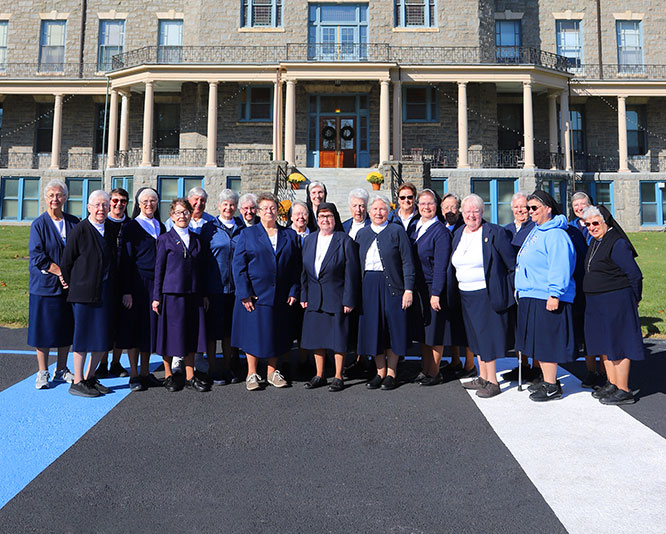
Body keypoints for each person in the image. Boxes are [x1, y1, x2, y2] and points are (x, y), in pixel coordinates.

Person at [231, 192, 301, 391]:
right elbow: (239, 266)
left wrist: (294, 290)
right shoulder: (247, 234)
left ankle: (272, 372)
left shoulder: (290, 235)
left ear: (278, 211)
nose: (269, 211)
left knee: (275, 333)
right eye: (265, 208)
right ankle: (252, 373)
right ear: (258, 212)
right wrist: (244, 293)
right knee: (252, 334)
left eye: (273, 208)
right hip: (254, 294)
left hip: (280, 294)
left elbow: (296, 266)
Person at [448, 194, 516, 398]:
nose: (471, 215)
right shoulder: (459, 233)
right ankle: (483, 376)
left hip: (487, 294)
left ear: (482, 212)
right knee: (475, 338)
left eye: (475, 211)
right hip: (466, 295)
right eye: (467, 212)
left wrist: (509, 291)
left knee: (488, 338)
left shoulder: (495, 232)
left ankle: (493, 382)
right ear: (462, 213)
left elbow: (511, 265)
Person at [515, 190, 576, 402]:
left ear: (548, 209)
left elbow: (560, 266)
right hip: (531, 294)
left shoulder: (556, 234)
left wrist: (555, 294)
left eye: (534, 208)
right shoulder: (537, 230)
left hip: (546, 296)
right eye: (528, 207)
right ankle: (546, 380)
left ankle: (552, 385)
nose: (529, 211)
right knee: (537, 343)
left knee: (547, 343)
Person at [582, 205, 644, 405]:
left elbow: (634, 274)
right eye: (588, 224)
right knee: (604, 343)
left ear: (605, 222)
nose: (592, 227)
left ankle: (624, 389)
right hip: (597, 301)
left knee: (618, 343)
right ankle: (612, 383)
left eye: (595, 223)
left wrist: (634, 299)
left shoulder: (616, 243)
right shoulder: (595, 242)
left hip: (616, 300)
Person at [60, 191, 117, 398]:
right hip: (84, 293)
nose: (101, 209)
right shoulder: (80, 230)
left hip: (105, 293)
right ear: (88, 207)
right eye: (97, 205)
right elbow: (67, 262)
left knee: (102, 338)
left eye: (104, 205)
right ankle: (77, 381)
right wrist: (76, 284)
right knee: (83, 338)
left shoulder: (110, 229)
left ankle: (90, 376)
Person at [356, 195, 415, 391]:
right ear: (369, 212)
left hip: (393, 285)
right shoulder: (362, 234)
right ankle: (379, 372)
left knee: (393, 329)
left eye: (382, 209)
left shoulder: (396, 231)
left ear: (388, 212)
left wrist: (408, 289)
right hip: (369, 287)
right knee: (375, 329)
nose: (379, 213)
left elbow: (407, 261)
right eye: (375, 210)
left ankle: (391, 373)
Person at [300, 203, 360, 392]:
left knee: (338, 339)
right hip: (314, 298)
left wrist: (349, 299)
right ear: (317, 219)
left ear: (335, 219)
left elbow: (352, 273)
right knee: (317, 339)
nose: (325, 220)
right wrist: (303, 294)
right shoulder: (309, 240)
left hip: (336, 297)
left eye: (329, 216)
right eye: (322, 216)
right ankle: (319, 375)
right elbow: (303, 271)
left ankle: (338, 376)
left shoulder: (344, 240)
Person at [152, 199, 210, 392]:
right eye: (178, 212)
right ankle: (168, 375)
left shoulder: (197, 239)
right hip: (171, 294)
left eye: (185, 212)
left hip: (193, 294)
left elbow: (202, 270)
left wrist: (203, 294)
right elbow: (158, 269)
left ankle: (190, 375)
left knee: (192, 335)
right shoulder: (164, 239)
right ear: (171, 216)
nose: (182, 216)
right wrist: (156, 296)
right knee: (170, 336)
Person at [28, 179, 78, 389]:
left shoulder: (74, 222)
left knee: (66, 328)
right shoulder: (39, 224)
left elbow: (80, 251)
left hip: (69, 288)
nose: (55, 199)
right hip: (45, 287)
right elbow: (37, 255)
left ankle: (61, 369)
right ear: (45, 198)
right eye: (51, 196)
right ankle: (42, 371)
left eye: (59, 195)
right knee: (43, 330)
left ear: (65, 198)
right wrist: (60, 273)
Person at [117, 188, 165, 391]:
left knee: (150, 329)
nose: (149, 204)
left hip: (156, 284)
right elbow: (125, 261)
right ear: (138, 203)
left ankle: (146, 372)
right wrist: (126, 290)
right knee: (134, 329)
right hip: (136, 285)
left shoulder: (160, 226)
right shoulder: (131, 228)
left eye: (152, 200)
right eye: (144, 201)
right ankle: (134, 375)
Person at [200, 189, 244, 385]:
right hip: (214, 290)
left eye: (232, 204)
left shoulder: (242, 229)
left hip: (235, 290)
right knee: (212, 333)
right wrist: (204, 291)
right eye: (225, 204)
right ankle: (212, 368)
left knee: (228, 332)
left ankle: (227, 368)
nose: (228, 208)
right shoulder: (209, 229)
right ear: (219, 206)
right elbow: (201, 260)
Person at [409, 189, 452, 386]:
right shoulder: (417, 227)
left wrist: (436, 293)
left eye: (430, 203)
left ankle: (435, 372)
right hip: (418, 288)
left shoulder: (440, 232)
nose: (426, 207)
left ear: (437, 206)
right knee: (423, 333)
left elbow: (441, 266)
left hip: (432, 287)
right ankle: (425, 369)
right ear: (418, 206)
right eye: (423, 203)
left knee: (434, 333)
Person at [95, 187, 131, 379]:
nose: (118, 204)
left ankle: (116, 363)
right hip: (104, 283)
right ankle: (102, 362)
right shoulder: (102, 223)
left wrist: (128, 289)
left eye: (122, 201)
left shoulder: (131, 226)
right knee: (104, 324)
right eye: (115, 200)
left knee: (120, 325)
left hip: (124, 283)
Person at [502, 191, 537, 383]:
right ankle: (522, 365)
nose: (520, 210)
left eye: (523, 207)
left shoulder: (534, 229)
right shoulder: (506, 230)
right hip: (512, 285)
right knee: (517, 328)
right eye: (516, 207)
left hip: (530, 285)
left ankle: (537, 368)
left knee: (532, 327)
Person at [439, 192, 475, 379]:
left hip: (464, 284)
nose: (450, 211)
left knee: (466, 326)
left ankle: (470, 364)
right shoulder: (440, 226)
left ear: (459, 210)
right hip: (446, 286)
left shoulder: (465, 228)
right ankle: (454, 361)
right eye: (446, 207)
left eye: (453, 207)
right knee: (451, 325)